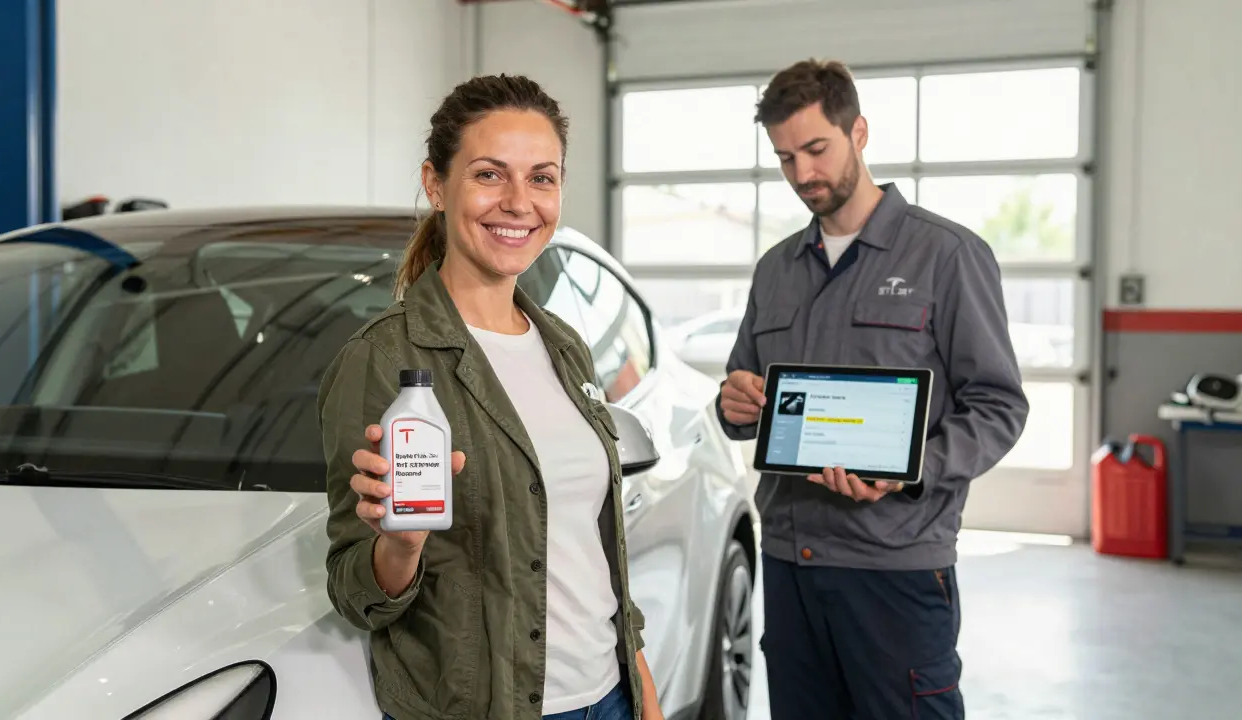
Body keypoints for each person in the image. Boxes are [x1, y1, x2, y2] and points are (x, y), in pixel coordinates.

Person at [318, 74, 662, 720]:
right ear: (435, 184)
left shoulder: (564, 347)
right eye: (488, 175)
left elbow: (594, 554)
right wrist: (400, 545)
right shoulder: (384, 359)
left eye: (541, 178)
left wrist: (643, 693)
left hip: (610, 698)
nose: (518, 202)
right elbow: (354, 590)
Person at [717, 59, 1030, 719]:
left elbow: (1000, 407)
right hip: (790, 565)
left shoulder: (947, 256)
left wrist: (910, 470)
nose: (803, 173)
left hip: (894, 568)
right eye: (784, 157)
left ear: (858, 132)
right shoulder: (776, 270)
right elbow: (745, 399)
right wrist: (732, 404)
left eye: (816, 149)